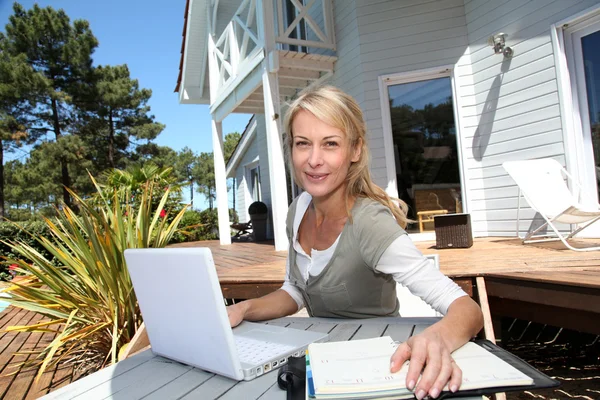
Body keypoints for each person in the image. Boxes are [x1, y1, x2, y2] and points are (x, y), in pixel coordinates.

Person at [227, 85, 484, 400]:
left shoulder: (369, 224)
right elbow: (296, 290)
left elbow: (467, 310)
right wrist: (244, 308)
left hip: (379, 369)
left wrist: (438, 339)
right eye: (302, 144)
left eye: (330, 144)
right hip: (325, 361)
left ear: (355, 150)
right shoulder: (298, 210)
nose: (314, 159)